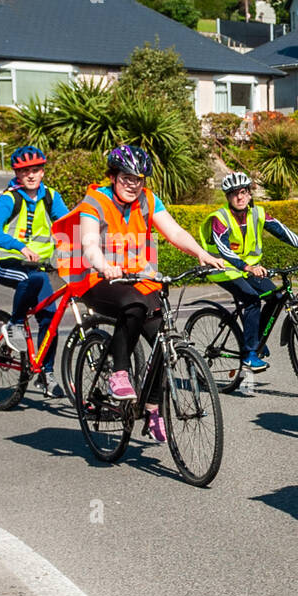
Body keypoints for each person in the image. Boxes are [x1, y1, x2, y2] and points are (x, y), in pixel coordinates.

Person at [76, 145, 230, 441]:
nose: (133, 184)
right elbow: (89, 244)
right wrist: (104, 265)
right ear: (113, 176)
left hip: (139, 280)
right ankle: (119, 373)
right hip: (99, 280)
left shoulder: (148, 200)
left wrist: (200, 253)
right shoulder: (94, 201)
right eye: (126, 177)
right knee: (133, 307)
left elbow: (174, 232)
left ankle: (151, 407)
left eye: (139, 178)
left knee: (164, 336)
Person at [198, 171, 298, 382]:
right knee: (251, 299)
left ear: (249, 194)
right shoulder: (220, 219)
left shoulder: (258, 213)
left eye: (243, 192)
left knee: (275, 297)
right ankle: (249, 354)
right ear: (227, 197)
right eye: (233, 194)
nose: (239, 197)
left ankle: (255, 339)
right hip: (222, 268)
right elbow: (223, 250)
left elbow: (283, 232)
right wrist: (247, 266)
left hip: (248, 268)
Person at [0, 145, 69, 397]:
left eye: (36, 170)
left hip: (37, 268)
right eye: (25, 171)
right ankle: (15, 324)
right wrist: (20, 247)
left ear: (43, 171)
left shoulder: (51, 197)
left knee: (50, 319)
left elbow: (65, 225)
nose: (31, 175)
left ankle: (46, 374)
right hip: (5, 262)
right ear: (16, 173)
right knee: (28, 279)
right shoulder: (8, 199)